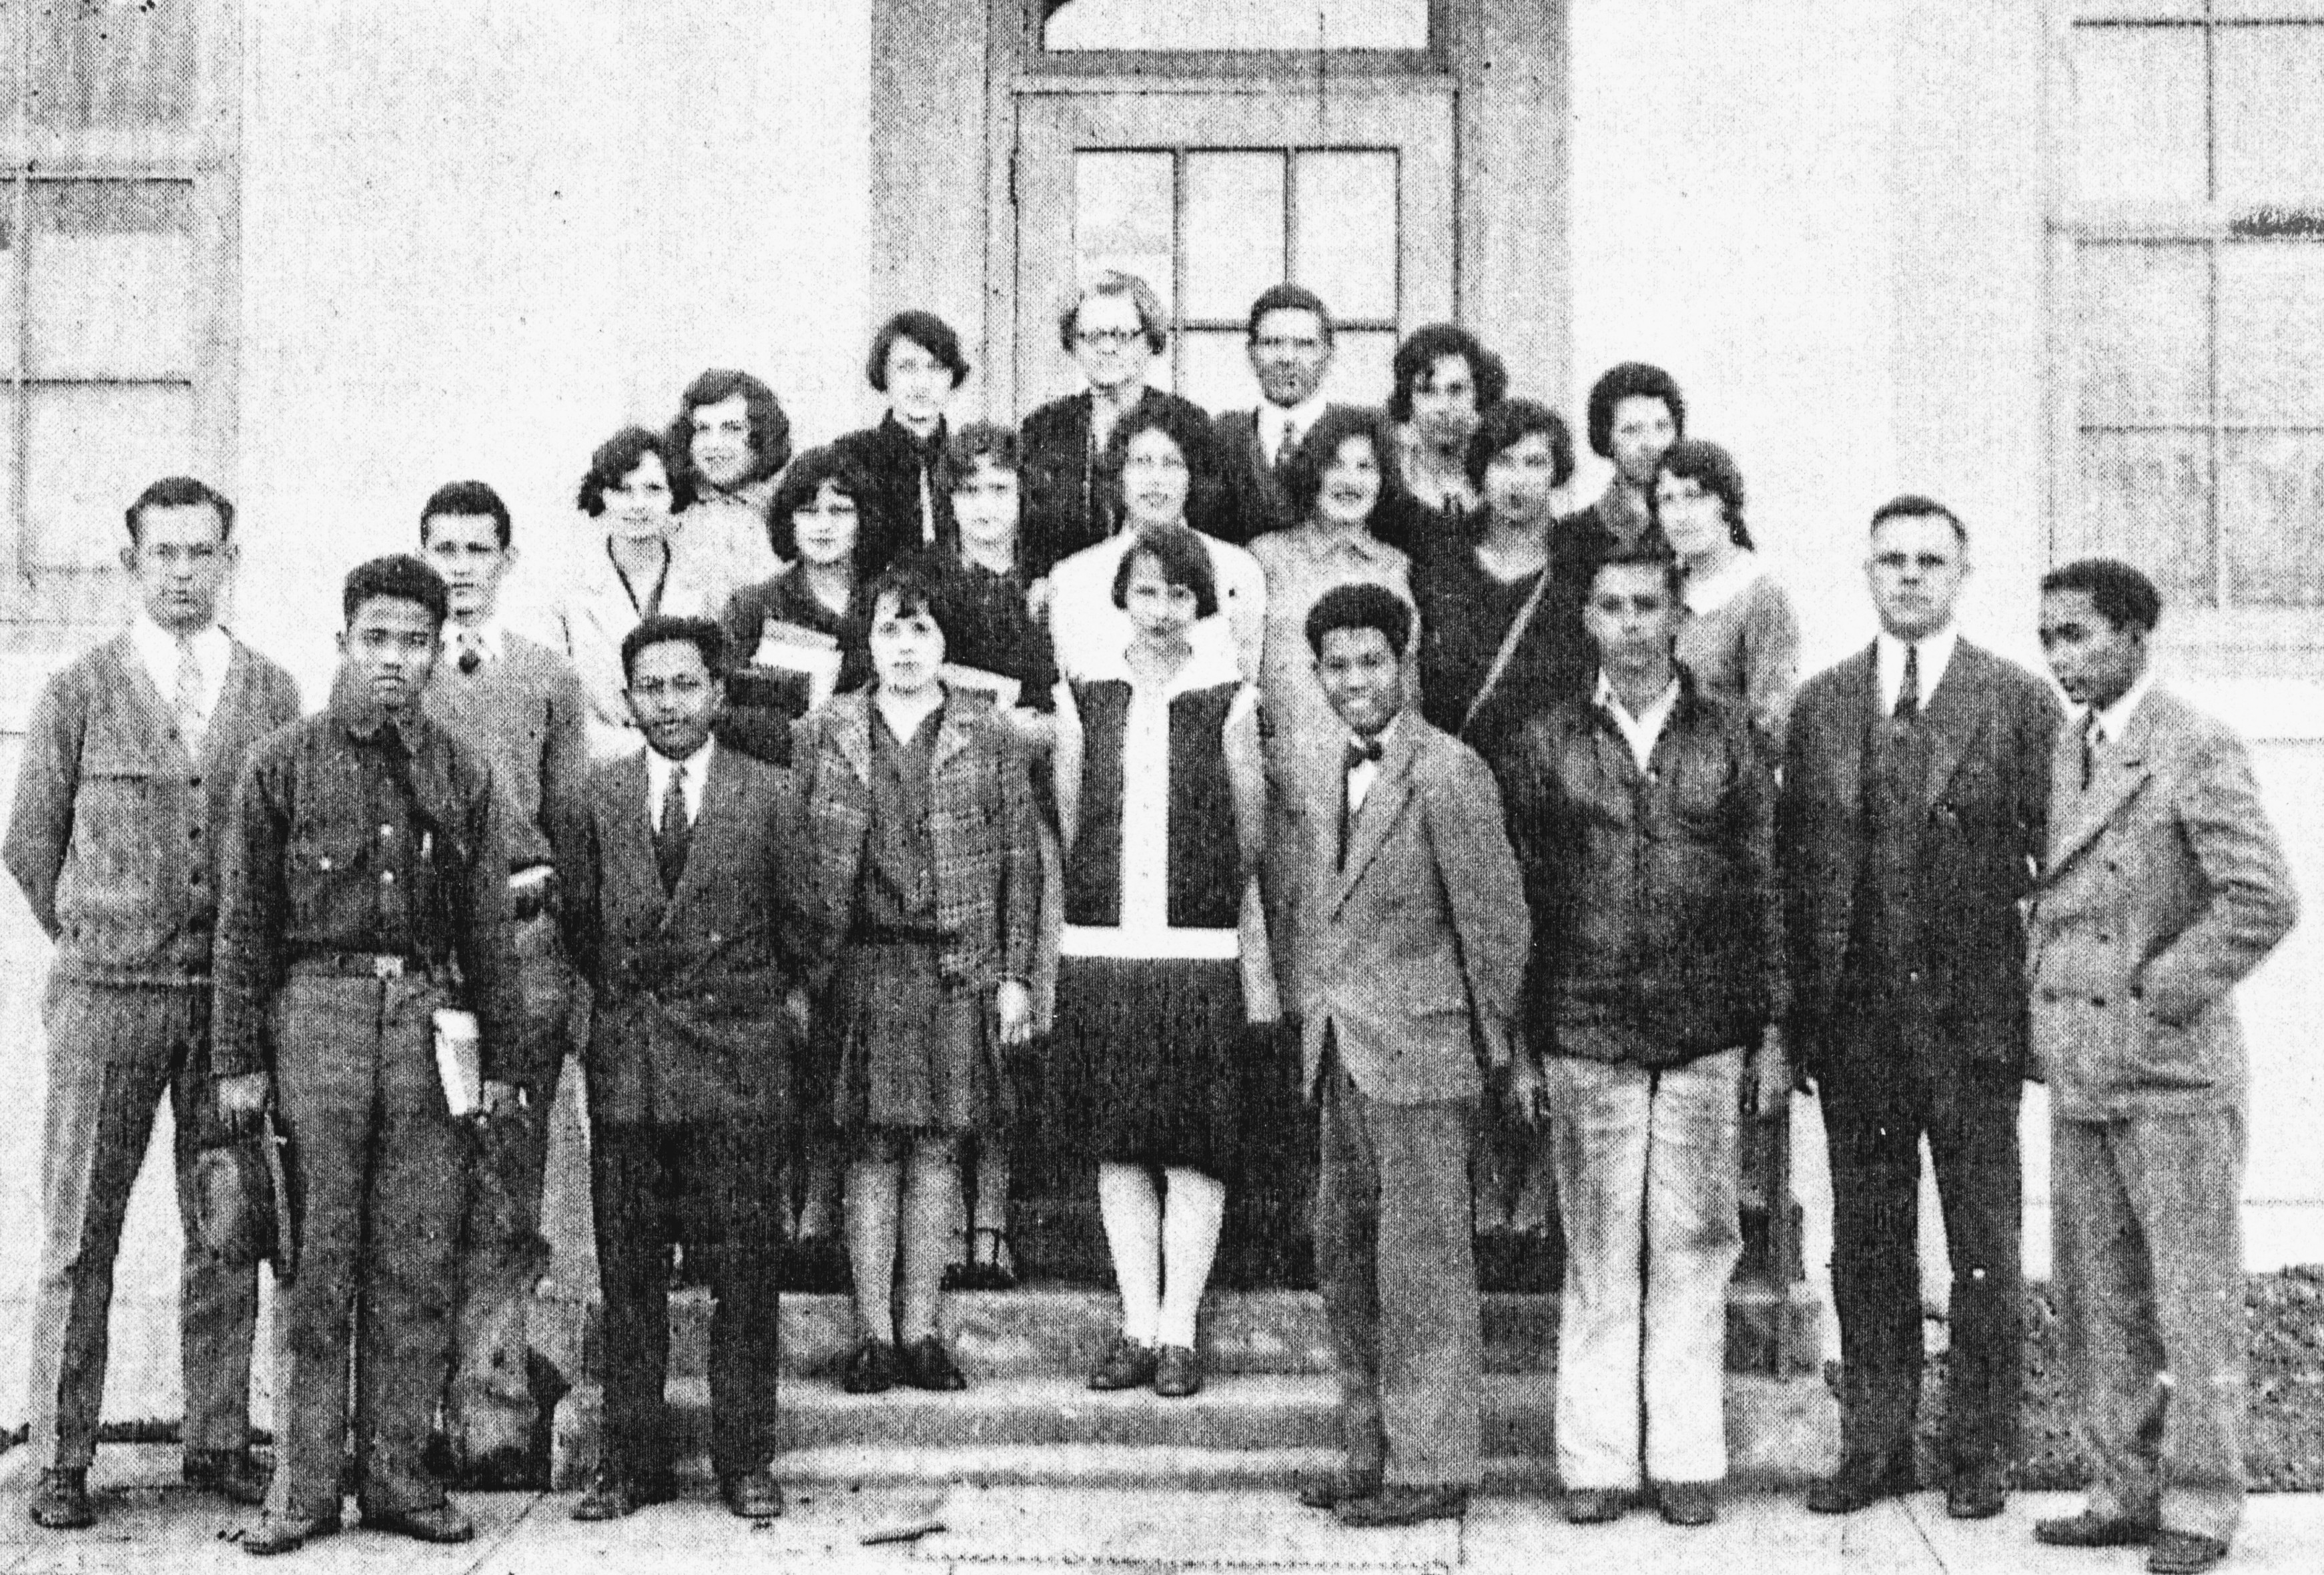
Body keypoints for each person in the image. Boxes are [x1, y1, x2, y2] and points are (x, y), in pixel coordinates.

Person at [212, 555, 525, 1556]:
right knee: (316, 1259)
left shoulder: (460, 769)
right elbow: (244, 925)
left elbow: (487, 928)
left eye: (415, 643)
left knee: (416, 1258)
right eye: (377, 639)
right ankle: (303, 1490)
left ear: (439, 652)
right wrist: (238, 1061)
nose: (394, 660)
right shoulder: (282, 765)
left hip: (432, 1025)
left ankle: (397, 1477)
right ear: (344, 641)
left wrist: (506, 1062)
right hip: (318, 1019)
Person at [3, 478, 300, 1532]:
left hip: (225, 1005)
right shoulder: (80, 688)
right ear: (131, 565)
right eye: (164, 553)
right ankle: (60, 1455)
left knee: (228, 1221)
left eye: (202, 553)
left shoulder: (269, 691)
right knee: (82, 1230)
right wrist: (103, 938)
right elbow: (30, 845)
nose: (184, 572)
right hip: (107, 1002)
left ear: (229, 562)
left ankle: (217, 1438)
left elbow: (283, 853)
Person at [1778, 495, 2061, 1521]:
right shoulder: (1818, 706)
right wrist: (1799, 1016)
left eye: (1927, 561)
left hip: (1973, 1026)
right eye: (1890, 560)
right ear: (1864, 572)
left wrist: (2035, 1016)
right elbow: (1792, 869)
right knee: (1869, 1243)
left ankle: (1981, 1451)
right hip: (1855, 1027)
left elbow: (2054, 872)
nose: (1907, 576)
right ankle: (1876, 1444)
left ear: (1960, 572)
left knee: (1982, 1243)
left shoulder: (2017, 704)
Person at [1501, 551, 1787, 1529]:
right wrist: (1522, 1043)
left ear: (1676, 617)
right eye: (1610, 606)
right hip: (1582, 1028)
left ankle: (1685, 1457)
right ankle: (1594, 1463)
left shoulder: (1731, 739)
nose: (1629, 624)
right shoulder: (1546, 743)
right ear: (1585, 617)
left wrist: (1772, 1031)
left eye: (1647, 607)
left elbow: (1765, 888)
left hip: (1707, 1034)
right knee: (1596, 1252)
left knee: (1695, 1244)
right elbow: (1520, 902)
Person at [2030, 560, 2297, 1575]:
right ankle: (2118, 1489)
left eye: (2080, 635)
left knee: (2192, 1305)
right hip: (2083, 1073)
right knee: (2100, 1300)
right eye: (2049, 636)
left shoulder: (2192, 746)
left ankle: (2199, 1504)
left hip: (2171, 1078)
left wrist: (2154, 992)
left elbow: (2260, 899)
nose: (2061, 656)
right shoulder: (2072, 747)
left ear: (2137, 636)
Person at [560, 616, 817, 1523]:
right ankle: (634, 1465)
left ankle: (745, 1459)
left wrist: (761, 1020)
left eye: (684, 685)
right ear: (627, 699)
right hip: (631, 1070)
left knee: (745, 1273)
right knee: (632, 1276)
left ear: (717, 692)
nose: (667, 704)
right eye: (650, 688)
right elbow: (578, 931)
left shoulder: (773, 796)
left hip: (737, 1068)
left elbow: (808, 934)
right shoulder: (593, 796)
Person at [1291, 582, 1533, 1529]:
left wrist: (1493, 1050)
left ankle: (1431, 1465)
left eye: (1370, 664)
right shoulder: (1323, 768)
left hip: (1424, 1062)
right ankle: (1368, 1454)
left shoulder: (1448, 773)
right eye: (1336, 667)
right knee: (1345, 1260)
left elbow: (1496, 927)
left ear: (1404, 666)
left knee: (1421, 1265)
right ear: (1315, 676)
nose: (1354, 682)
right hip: (1341, 1055)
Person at [794, 563, 1042, 1393]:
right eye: (890, 630)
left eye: (922, 630)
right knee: (868, 1148)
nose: (905, 647)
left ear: (946, 644)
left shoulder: (986, 733)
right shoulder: (824, 730)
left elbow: (1019, 859)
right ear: (866, 641)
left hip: (954, 964)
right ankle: (871, 1333)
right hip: (861, 963)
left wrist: (1014, 973)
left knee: (938, 1146)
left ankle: (923, 1328)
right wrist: (802, 973)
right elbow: (796, 854)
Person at [1053, 526, 1270, 1399]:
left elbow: (1247, 828)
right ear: (1123, 598)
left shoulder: (1229, 696)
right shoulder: (1083, 693)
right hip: (1104, 949)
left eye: (1180, 595)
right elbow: (1074, 818)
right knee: (1118, 1147)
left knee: (1190, 1150)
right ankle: (1134, 1324)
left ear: (1202, 605)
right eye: (1146, 593)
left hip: (1194, 951)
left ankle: (1179, 1330)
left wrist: (1198, 898)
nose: (1162, 611)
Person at [417, 481, 591, 1487]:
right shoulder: (391, 673)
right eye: (443, 546)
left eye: (478, 548)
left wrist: (567, 969)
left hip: (523, 953)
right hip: (430, 955)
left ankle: (494, 1416)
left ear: (508, 559)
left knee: (509, 1188)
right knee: (421, 1188)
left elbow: (569, 829)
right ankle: (411, 1416)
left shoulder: (546, 678)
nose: (460, 566)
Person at [925, 420, 1064, 1292]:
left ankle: (993, 1219)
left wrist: (1025, 730)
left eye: (999, 491)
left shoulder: (1047, 592)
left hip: (1027, 816)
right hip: (940, 819)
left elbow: (1068, 713)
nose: (985, 507)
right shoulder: (924, 585)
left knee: (1013, 1017)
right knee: (948, 1018)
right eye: (970, 490)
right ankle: (942, 1223)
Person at [541, 424, 753, 759]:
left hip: (692, 759)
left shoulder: (709, 584)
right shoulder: (565, 590)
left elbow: (721, 693)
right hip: (598, 763)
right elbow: (556, 704)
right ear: (602, 495)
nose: (638, 505)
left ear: (673, 496)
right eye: (623, 490)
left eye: (653, 489)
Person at [1019, 270, 1220, 579]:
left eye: (1122, 335)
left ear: (1150, 340)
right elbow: (1028, 532)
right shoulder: (1044, 428)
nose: (1107, 348)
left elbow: (1206, 526)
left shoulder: (1187, 424)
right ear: (1073, 345)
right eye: (1092, 336)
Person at [1046, 406, 1266, 685]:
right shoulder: (1073, 577)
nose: (1156, 480)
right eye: (1141, 462)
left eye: (1172, 464)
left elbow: (1246, 685)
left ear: (1193, 476)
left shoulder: (1237, 568)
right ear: (1119, 475)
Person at [717, 444, 875, 766]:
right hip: (779, 782)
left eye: (840, 510)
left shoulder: (885, 605)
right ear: (789, 520)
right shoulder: (751, 607)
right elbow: (722, 711)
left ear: (863, 521)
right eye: (809, 511)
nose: (824, 525)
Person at [1655, 438, 1800, 750]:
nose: (1681, 515)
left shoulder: (1760, 597)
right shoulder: (1667, 589)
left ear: (1726, 504)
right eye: (1667, 500)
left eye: (1695, 496)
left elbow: (1772, 726)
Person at [1212, 284, 1366, 545]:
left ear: (1328, 355)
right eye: (1272, 343)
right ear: (1251, 353)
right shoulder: (1222, 436)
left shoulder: (1360, 433)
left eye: (1305, 344)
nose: (1287, 358)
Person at [835, 310, 970, 579]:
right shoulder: (850, 455)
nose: (922, 383)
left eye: (936, 368)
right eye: (906, 367)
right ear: (883, 373)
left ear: (952, 377)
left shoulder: (967, 457)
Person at [1552, 360, 1683, 587]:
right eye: (1631, 430)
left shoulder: (1698, 524)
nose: (1650, 444)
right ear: (1607, 440)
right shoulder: (1573, 535)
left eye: (1662, 427)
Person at [1384, 323, 1506, 561]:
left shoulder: (1501, 483)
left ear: (1478, 395)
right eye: (1427, 391)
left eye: (1456, 390)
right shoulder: (1389, 483)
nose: (1442, 407)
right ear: (1408, 400)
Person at [665, 366, 790, 578]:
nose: (714, 445)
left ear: (762, 435)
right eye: (703, 429)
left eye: (732, 429)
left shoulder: (787, 508)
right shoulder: (671, 508)